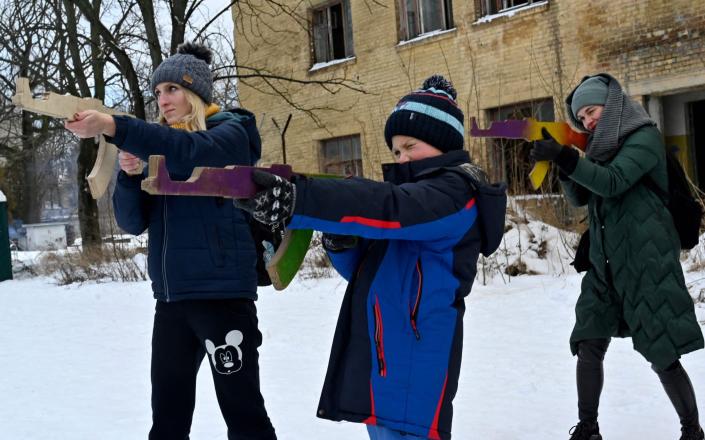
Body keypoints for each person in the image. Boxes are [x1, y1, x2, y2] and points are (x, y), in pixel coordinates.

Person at [235, 75, 506, 439]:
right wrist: (341, 238)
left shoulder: (457, 193)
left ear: (442, 144)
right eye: (396, 151)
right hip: (383, 351)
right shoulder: (407, 202)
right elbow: (366, 270)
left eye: (411, 146)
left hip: (418, 356)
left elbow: (390, 206)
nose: (402, 157)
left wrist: (304, 199)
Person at [65, 42, 277, 440]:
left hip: (222, 298)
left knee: (244, 414)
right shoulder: (161, 148)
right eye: (158, 92)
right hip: (172, 300)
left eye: (173, 90)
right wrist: (129, 176)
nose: (163, 100)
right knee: (167, 419)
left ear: (196, 92)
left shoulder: (231, 133)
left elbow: (191, 152)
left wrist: (115, 125)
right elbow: (132, 223)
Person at [530, 73, 704, 440]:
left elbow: (612, 181)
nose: (588, 122)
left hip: (646, 261)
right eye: (582, 119)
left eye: (592, 112)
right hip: (605, 261)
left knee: (661, 353)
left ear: (612, 106)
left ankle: (692, 430)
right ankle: (588, 428)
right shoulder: (597, 146)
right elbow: (581, 197)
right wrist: (562, 163)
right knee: (589, 340)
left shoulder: (644, 137)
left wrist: (567, 155)